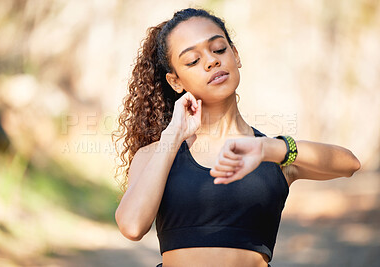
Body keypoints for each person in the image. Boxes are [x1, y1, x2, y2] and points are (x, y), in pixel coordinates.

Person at [113, 8, 361, 267]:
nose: (211, 61)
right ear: (175, 82)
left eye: (219, 49)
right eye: (193, 60)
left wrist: (268, 148)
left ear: (236, 55)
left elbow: (349, 164)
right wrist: (172, 137)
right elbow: (132, 226)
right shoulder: (157, 153)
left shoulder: (272, 152)